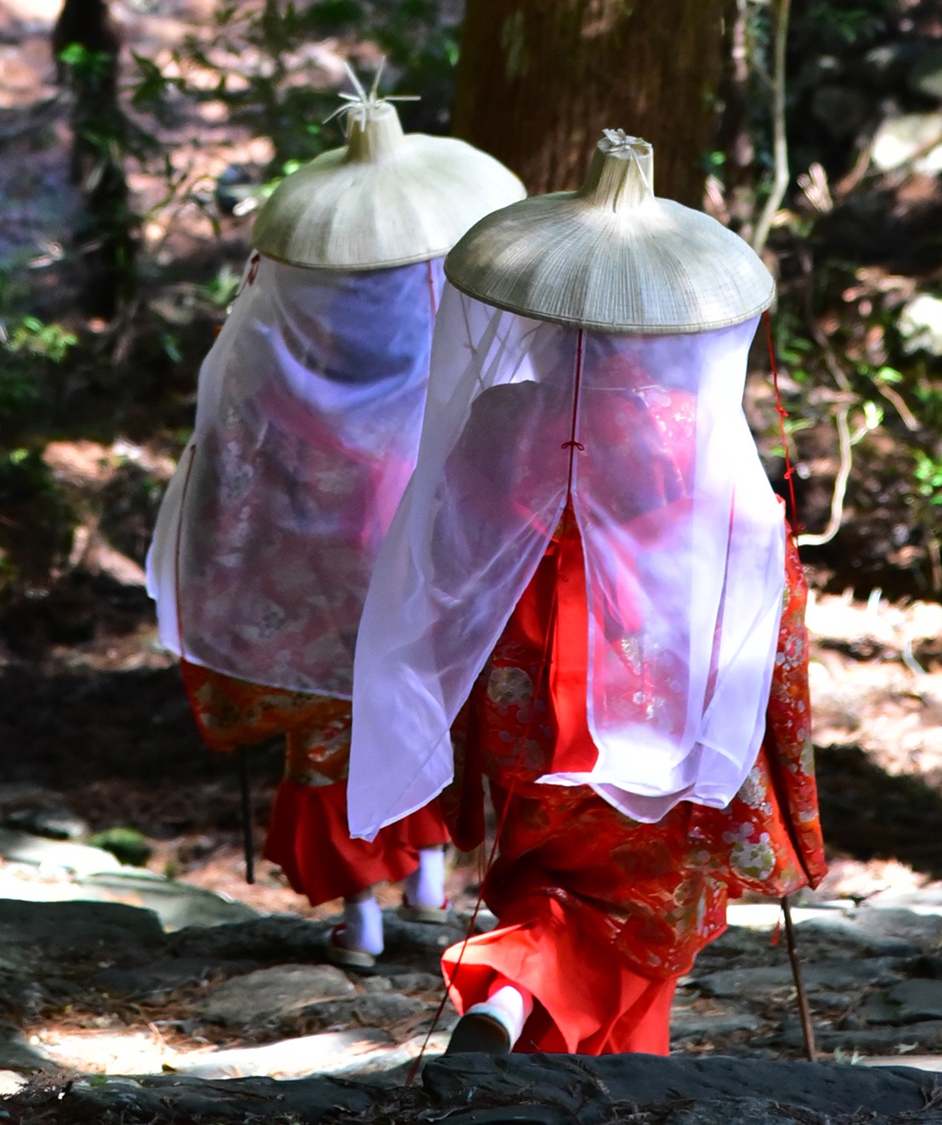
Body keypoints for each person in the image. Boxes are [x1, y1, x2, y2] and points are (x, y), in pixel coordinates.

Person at [347, 130, 825, 1048]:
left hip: (523, 695)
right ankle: (531, 1002)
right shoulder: (696, 434)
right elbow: (770, 589)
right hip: (662, 698)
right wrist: (783, 748)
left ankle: (518, 1006)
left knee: (543, 869)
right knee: (649, 889)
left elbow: (447, 549)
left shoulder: (498, 417)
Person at [146, 71, 524, 966]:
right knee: (423, 699)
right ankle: (430, 870)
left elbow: (230, 446)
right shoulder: (436, 291)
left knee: (327, 732)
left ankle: (360, 916)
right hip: (417, 522)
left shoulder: (284, 324)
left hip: (309, 550)